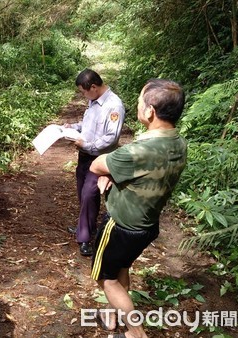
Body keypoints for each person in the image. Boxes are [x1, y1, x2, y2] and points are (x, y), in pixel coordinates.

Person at [89, 79, 187, 338]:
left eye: (140, 101)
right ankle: (113, 317)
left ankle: (135, 333)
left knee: (106, 279)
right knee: (121, 268)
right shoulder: (178, 143)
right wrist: (117, 174)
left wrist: (110, 172)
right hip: (147, 225)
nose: (137, 105)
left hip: (121, 224)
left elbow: (97, 165)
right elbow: (146, 172)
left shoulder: (140, 150)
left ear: (150, 112)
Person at [64, 69, 125, 256]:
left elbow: (111, 137)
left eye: (84, 92)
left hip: (99, 158)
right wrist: (71, 128)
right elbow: (88, 125)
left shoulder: (114, 105)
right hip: (84, 156)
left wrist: (88, 145)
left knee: (90, 194)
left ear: (93, 87)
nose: (83, 96)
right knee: (83, 193)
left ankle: (85, 239)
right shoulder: (93, 101)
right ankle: (85, 226)